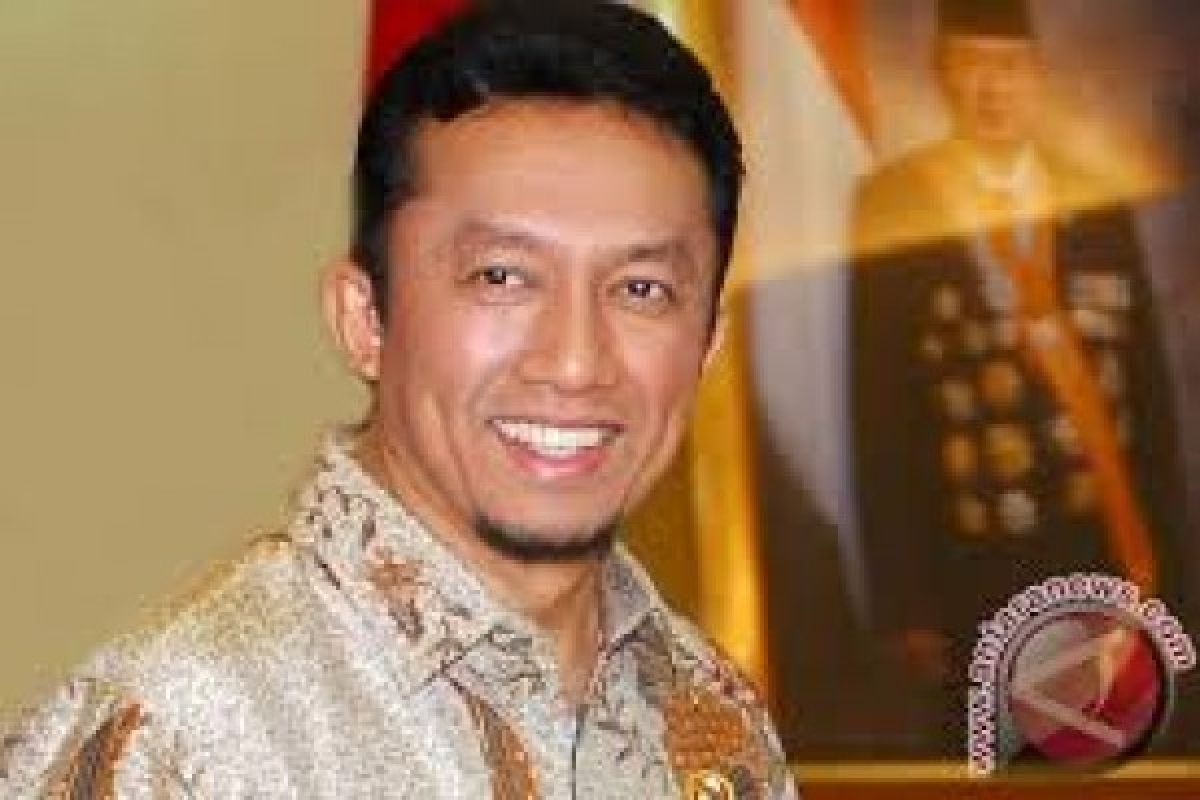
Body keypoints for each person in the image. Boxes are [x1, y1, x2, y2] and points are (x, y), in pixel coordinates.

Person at [0, 2, 798, 797]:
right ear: (365, 320)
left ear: (706, 347)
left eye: (642, 289)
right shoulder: (184, 735)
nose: (575, 362)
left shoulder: (713, 716)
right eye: (502, 277)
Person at [850, 0, 1184, 755]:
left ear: (1037, 76)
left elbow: (1149, 393)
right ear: (943, 75)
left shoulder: (1095, 199)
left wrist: (1169, 552)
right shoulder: (895, 201)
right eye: (972, 64)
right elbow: (879, 413)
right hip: (967, 562)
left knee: (1108, 760)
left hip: (1097, 547)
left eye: (1009, 66)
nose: (992, 87)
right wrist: (906, 598)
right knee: (993, 761)